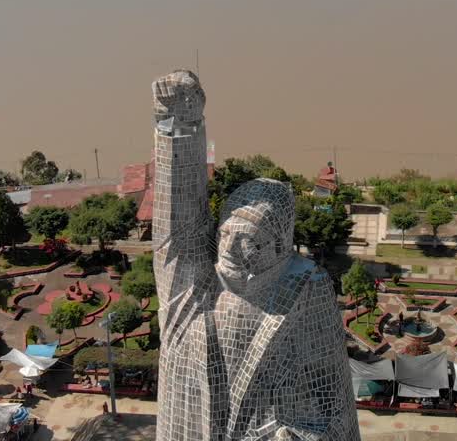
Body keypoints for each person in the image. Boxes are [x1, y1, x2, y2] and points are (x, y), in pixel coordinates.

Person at [152, 71, 360, 441]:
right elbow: (176, 218)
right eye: (225, 233)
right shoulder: (192, 290)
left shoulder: (306, 288)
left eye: (246, 240)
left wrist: (298, 436)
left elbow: (333, 398)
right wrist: (177, 122)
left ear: (280, 246)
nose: (228, 248)